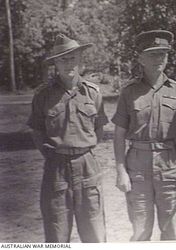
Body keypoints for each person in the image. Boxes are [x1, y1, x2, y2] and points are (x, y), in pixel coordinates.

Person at [112, 30, 176, 241]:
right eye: (152, 54)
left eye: (163, 53)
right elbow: (119, 134)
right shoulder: (129, 92)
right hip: (138, 168)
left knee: (172, 230)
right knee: (141, 231)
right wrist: (121, 171)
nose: (159, 58)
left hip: (171, 167)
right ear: (140, 58)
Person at [28, 34, 108, 242]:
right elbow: (37, 131)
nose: (68, 63)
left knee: (94, 232)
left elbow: (99, 128)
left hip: (87, 166)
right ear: (55, 62)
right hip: (57, 168)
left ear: (80, 59)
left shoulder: (93, 93)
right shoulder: (43, 95)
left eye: (72, 57)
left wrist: (84, 149)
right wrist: (52, 154)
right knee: (57, 233)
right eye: (63, 59)